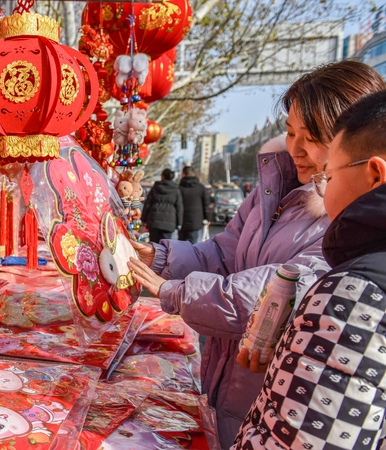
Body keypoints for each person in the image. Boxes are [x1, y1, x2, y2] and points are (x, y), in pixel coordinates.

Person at [127, 61, 386, 448]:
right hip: (230, 377)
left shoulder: (346, 228)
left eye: (311, 137)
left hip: (271, 400)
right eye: (289, 132)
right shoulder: (272, 188)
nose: (296, 148)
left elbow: (270, 294)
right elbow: (224, 251)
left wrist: (173, 291)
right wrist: (158, 256)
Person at [233, 91, 386, 450]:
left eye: (329, 177)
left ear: (375, 175)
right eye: (290, 133)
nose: (297, 150)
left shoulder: (356, 291)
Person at [141, 168, 183, 243]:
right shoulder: (176, 190)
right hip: (169, 223)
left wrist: (143, 219)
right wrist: (179, 223)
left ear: (162, 176)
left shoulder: (156, 187)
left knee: (154, 246)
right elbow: (179, 208)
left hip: (154, 221)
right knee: (165, 246)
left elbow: (148, 203)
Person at [178, 166, 210, 244]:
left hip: (182, 221)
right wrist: (207, 218)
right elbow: (206, 204)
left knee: (180, 246)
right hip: (196, 221)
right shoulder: (201, 188)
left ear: (183, 174)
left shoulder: (179, 188)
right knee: (193, 245)